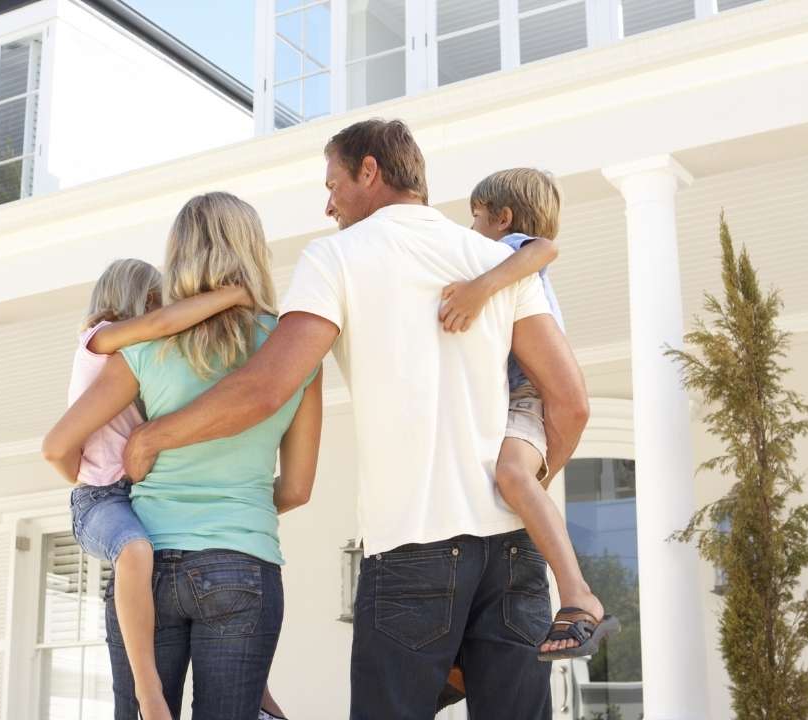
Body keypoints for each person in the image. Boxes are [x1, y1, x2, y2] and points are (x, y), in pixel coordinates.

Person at [121, 119, 591, 719]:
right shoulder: (492, 259)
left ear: (370, 171)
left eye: (333, 184)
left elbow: (267, 387)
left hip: (410, 551)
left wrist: (155, 433)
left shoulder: (337, 257)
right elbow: (570, 403)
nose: (328, 205)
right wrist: (525, 488)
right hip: (511, 554)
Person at [53, 192, 322, 720]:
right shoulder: (294, 350)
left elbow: (64, 443)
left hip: (149, 559)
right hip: (243, 562)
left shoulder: (141, 348)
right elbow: (296, 489)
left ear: (178, 258)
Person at [42, 258, 259, 720]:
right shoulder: (98, 342)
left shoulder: (142, 363)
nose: (163, 314)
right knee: (136, 551)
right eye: (156, 302)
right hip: (99, 497)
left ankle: (262, 700)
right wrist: (236, 295)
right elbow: (55, 450)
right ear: (133, 304)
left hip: (135, 492)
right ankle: (149, 694)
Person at [438, 168, 618, 661]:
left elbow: (545, 249)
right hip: (514, 394)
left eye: (475, 218)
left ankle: (579, 595)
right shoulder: (503, 257)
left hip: (530, 392)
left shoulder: (513, 252)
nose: (470, 229)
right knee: (502, 503)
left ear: (503, 218)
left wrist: (478, 289)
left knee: (513, 476)